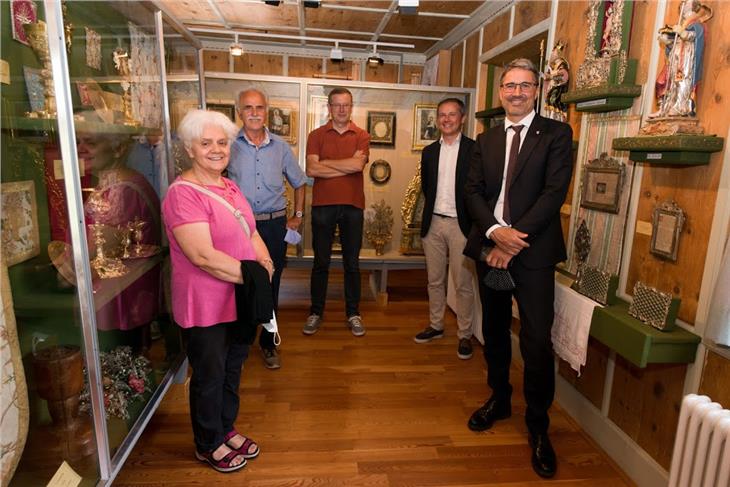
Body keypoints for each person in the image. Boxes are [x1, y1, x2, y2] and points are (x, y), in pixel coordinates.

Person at [463, 58, 573, 479]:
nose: (515, 92)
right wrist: (493, 231)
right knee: (493, 331)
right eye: (509, 85)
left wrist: (512, 239)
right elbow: (472, 191)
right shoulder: (485, 139)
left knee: (535, 341)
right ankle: (500, 398)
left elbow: (553, 193)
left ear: (535, 90)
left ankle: (539, 426)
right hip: (491, 250)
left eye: (524, 85)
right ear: (501, 91)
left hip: (533, 255)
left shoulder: (558, 135)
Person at [162, 109, 274, 473]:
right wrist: (255, 276)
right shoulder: (182, 194)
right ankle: (208, 441)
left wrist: (266, 262)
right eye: (206, 143)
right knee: (209, 374)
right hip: (205, 303)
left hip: (237, 300)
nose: (216, 149)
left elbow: (250, 232)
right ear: (190, 149)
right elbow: (203, 256)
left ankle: (226, 427)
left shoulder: (230, 186)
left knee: (232, 369)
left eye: (222, 143)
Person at [228, 88, 307, 369]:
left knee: (271, 285)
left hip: (274, 225)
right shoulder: (227, 146)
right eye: (248, 108)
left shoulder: (282, 148)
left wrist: (297, 215)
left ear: (266, 111)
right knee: (239, 281)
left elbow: (300, 182)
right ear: (239, 112)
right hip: (239, 226)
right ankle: (240, 341)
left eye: (259, 108)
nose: (254, 113)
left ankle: (268, 343)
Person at [413, 98, 476, 360]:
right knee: (434, 280)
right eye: (442, 115)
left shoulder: (475, 150)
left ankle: (465, 335)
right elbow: (427, 188)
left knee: (462, 283)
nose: (446, 119)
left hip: (461, 225)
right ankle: (436, 325)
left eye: (452, 115)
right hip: (434, 223)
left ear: (462, 118)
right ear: (437, 119)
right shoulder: (429, 152)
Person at [303, 87, 369, 337]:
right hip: (322, 206)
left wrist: (325, 163)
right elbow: (311, 170)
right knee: (321, 262)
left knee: (352, 263)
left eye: (346, 105)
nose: (341, 109)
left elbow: (357, 165)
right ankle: (316, 312)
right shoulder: (316, 134)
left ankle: (353, 313)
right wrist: (347, 166)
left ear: (351, 107)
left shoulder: (362, 135)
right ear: (328, 108)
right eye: (337, 105)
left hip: (353, 206)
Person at [650, 0, 709, 118]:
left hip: (686, 58)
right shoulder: (682, 24)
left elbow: (695, 36)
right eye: (683, 2)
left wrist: (683, 33)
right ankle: (666, 108)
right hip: (676, 59)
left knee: (682, 81)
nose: (683, 3)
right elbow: (675, 43)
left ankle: (681, 107)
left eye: (686, 2)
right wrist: (668, 42)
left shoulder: (696, 24)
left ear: (694, 6)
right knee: (671, 82)